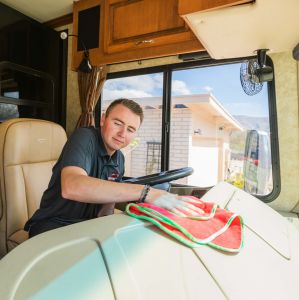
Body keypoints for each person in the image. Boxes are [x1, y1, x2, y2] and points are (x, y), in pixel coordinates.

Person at [24, 98, 202, 237]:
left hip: (85, 227)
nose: (122, 134)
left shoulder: (119, 159)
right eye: (117, 123)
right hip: (52, 226)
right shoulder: (84, 137)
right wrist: (148, 193)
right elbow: (72, 187)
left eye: (131, 129)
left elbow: (106, 209)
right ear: (103, 120)